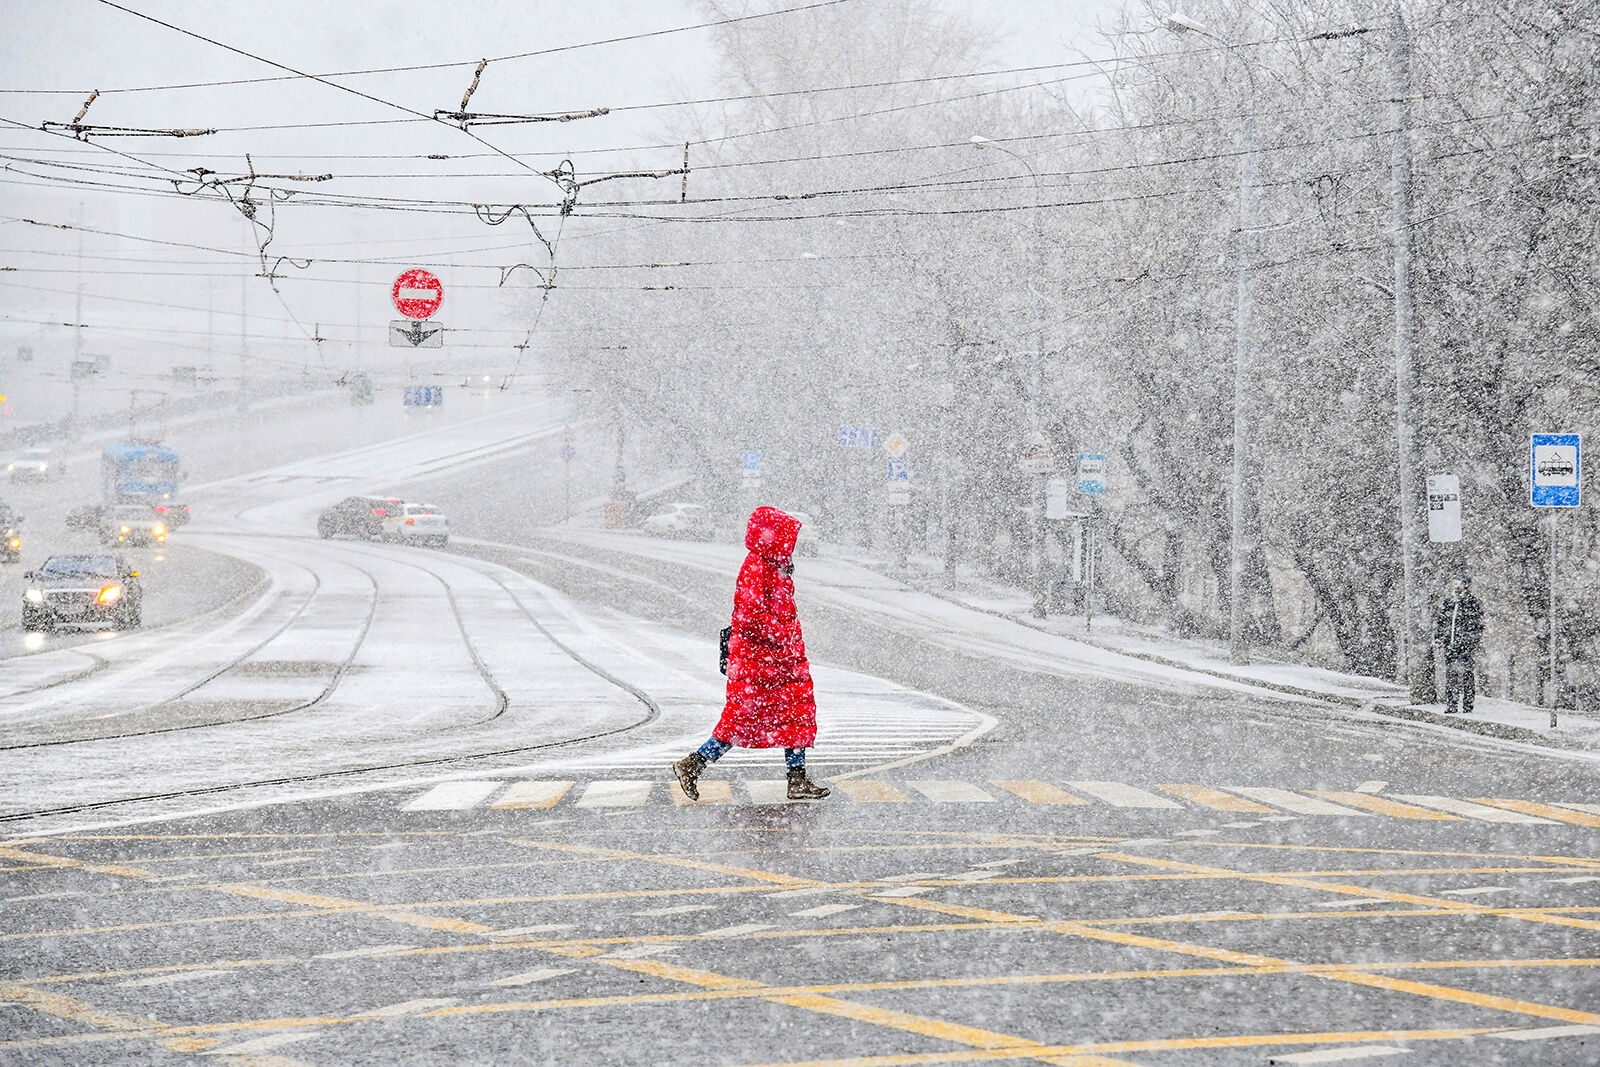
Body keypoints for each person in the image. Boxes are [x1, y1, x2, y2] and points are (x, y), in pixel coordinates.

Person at [674, 506, 829, 801]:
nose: (790, 544)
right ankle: (693, 763)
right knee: (743, 719)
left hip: (780, 659)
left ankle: (797, 779)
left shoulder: (775, 565)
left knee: (795, 714)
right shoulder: (757, 566)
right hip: (760, 661)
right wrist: (782, 636)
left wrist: (786, 643)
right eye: (786, 538)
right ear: (772, 537)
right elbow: (750, 614)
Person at [1433, 574, 1484, 714]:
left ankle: (1468, 704)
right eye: (1455, 583)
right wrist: (1439, 639)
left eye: (1460, 583)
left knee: (1467, 674)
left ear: (1466, 585)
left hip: (1466, 646)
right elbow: (1441, 622)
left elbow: (1478, 625)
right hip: (1450, 644)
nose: (1457, 586)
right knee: (1451, 674)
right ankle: (1452, 704)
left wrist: (1470, 640)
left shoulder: (1472, 602)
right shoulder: (1449, 602)